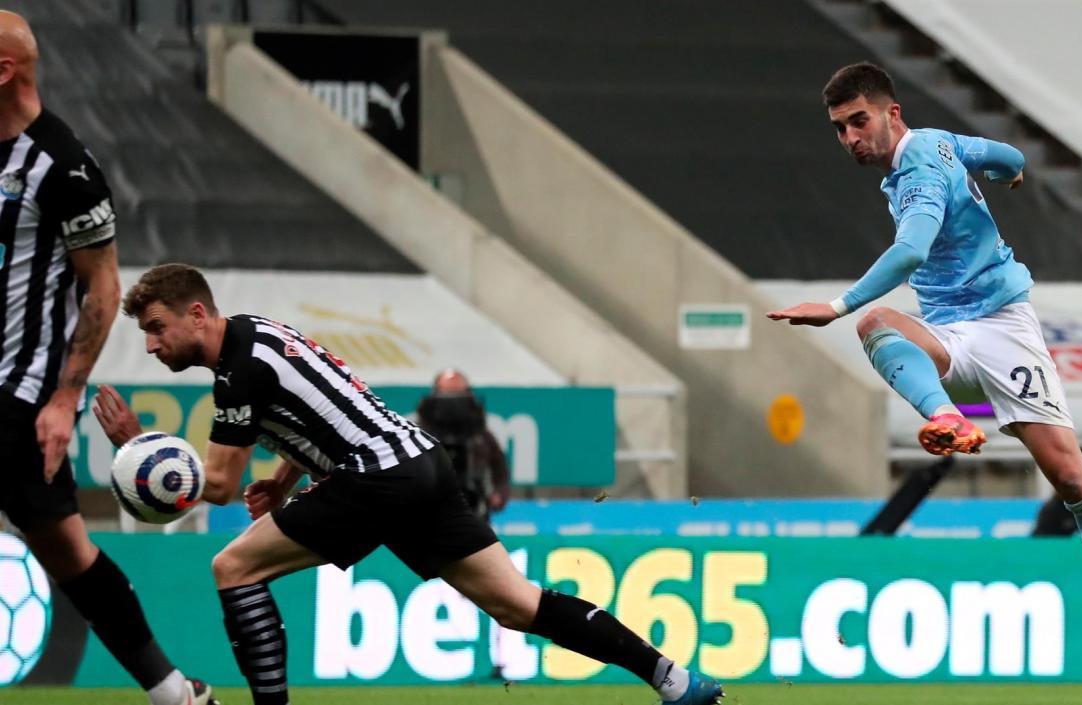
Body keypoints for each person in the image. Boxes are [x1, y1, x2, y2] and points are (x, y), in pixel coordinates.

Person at [92, 264, 723, 705]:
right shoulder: (261, 335)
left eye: (155, 327)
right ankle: (673, 680)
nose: (150, 345)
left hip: (375, 480)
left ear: (196, 314)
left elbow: (220, 487)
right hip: (420, 461)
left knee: (233, 568)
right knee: (517, 604)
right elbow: (324, 403)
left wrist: (137, 451)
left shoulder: (235, 373)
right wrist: (285, 477)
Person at [766, 62, 1082, 686]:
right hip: (949, 334)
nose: (850, 138)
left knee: (1069, 476)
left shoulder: (920, 165)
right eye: (840, 128)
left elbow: (912, 250)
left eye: (859, 121)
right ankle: (947, 415)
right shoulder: (942, 145)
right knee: (879, 326)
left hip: (1003, 326)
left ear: (891, 114)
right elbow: (1006, 154)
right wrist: (1008, 175)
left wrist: (834, 304)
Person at [0, 12, 216, 704]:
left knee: (70, 554)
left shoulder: (64, 166)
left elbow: (103, 289)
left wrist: (65, 398)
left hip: (19, 391)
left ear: (4, 71)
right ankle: (175, 691)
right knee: (70, 555)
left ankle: (172, 691)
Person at [417, 368, 510, 520]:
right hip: (430, 507)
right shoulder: (418, 435)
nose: (453, 403)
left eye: (458, 394)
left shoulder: (480, 436)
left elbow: (499, 466)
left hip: (473, 504)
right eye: (446, 395)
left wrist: (499, 493)